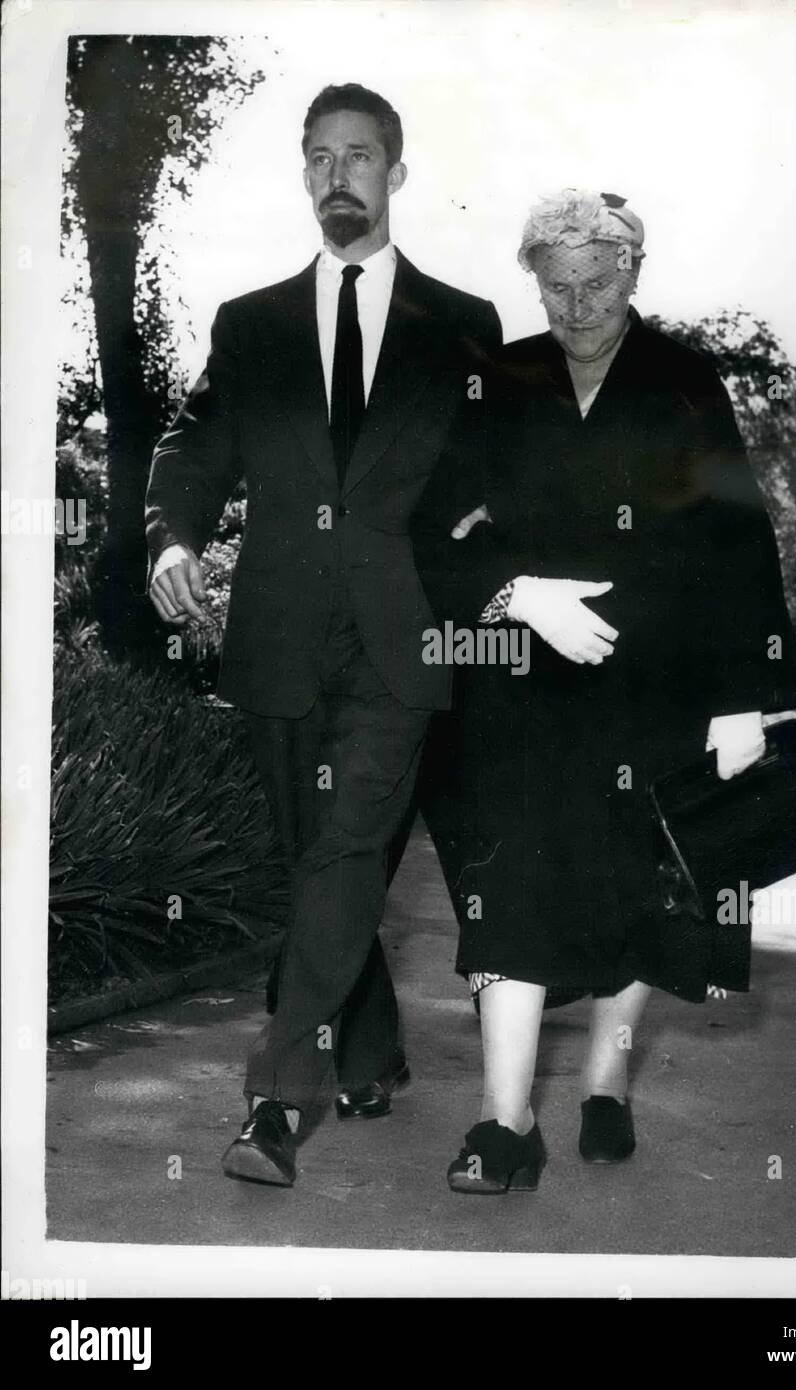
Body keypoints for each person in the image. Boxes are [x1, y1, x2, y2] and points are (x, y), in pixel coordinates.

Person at [411, 188, 796, 1194]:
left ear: (633, 272)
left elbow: (739, 539)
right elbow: (424, 528)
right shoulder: (494, 380)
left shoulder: (683, 380)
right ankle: (503, 1124)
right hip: (524, 681)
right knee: (511, 884)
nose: (577, 305)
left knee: (645, 880)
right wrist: (512, 591)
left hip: (661, 682)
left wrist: (748, 698)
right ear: (531, 282)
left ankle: (605, 1081)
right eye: (556, 286)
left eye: (596, 283)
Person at [145, 84, 501, 1187]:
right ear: (303, 176)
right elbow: (193, 446)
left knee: (347, 849)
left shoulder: (463, 325)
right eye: (317, 157)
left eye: (358, 155)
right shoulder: (249, 324)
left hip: (405, 640)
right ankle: (375, 1049)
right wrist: (172, 541)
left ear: (395, 173)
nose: (336, 175)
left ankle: (274, 1099)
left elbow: (492, 481)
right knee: (318, 859)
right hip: (283, 633)